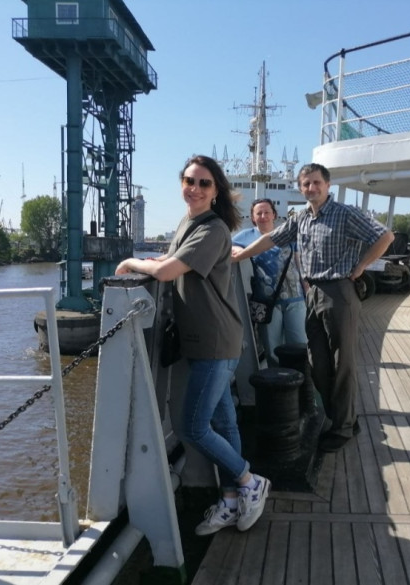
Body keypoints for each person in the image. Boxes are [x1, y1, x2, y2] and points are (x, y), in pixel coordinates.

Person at [116, 155, 270, 535]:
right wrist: (156, 259)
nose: (195, 188)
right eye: (189, 181)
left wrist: (132, 262)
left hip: (216, 339)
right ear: (181, 184)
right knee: (224, 422)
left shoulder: (213, 228)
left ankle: (249, 481)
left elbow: (167, 272)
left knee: (194, 426)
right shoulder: (189, 222)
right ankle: (231, 500)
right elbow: (172, 259)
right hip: (205, 339)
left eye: (204, 183)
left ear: (216, 191)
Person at [232, 163, 394, 452]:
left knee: (341, 363)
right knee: (317, 363)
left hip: (339, 291)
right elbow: (271, 239)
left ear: (327, 185)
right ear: (301, 188)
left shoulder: (344, 213)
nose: (311, 188)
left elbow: (385, 236)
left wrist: (361, 267)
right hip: (313, 292)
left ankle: (343, 427)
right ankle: (344, 417)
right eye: (306, 184)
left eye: (316, 182)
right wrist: (239, 255)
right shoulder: (301, 218)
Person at [232, 198, 307, 367]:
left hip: (295, 299)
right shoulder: (246, 236)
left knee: (300, 345)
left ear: (274, 214)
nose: (263, 216)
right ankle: (277, 379)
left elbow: (299, 263)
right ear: (253, 217)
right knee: (272, 350)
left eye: (267, 212)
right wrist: (237, 249)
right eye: (259, 213)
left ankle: (300, 379)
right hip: (266, 303)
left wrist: (307, 291)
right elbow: (228, 248)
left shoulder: (286, 233)